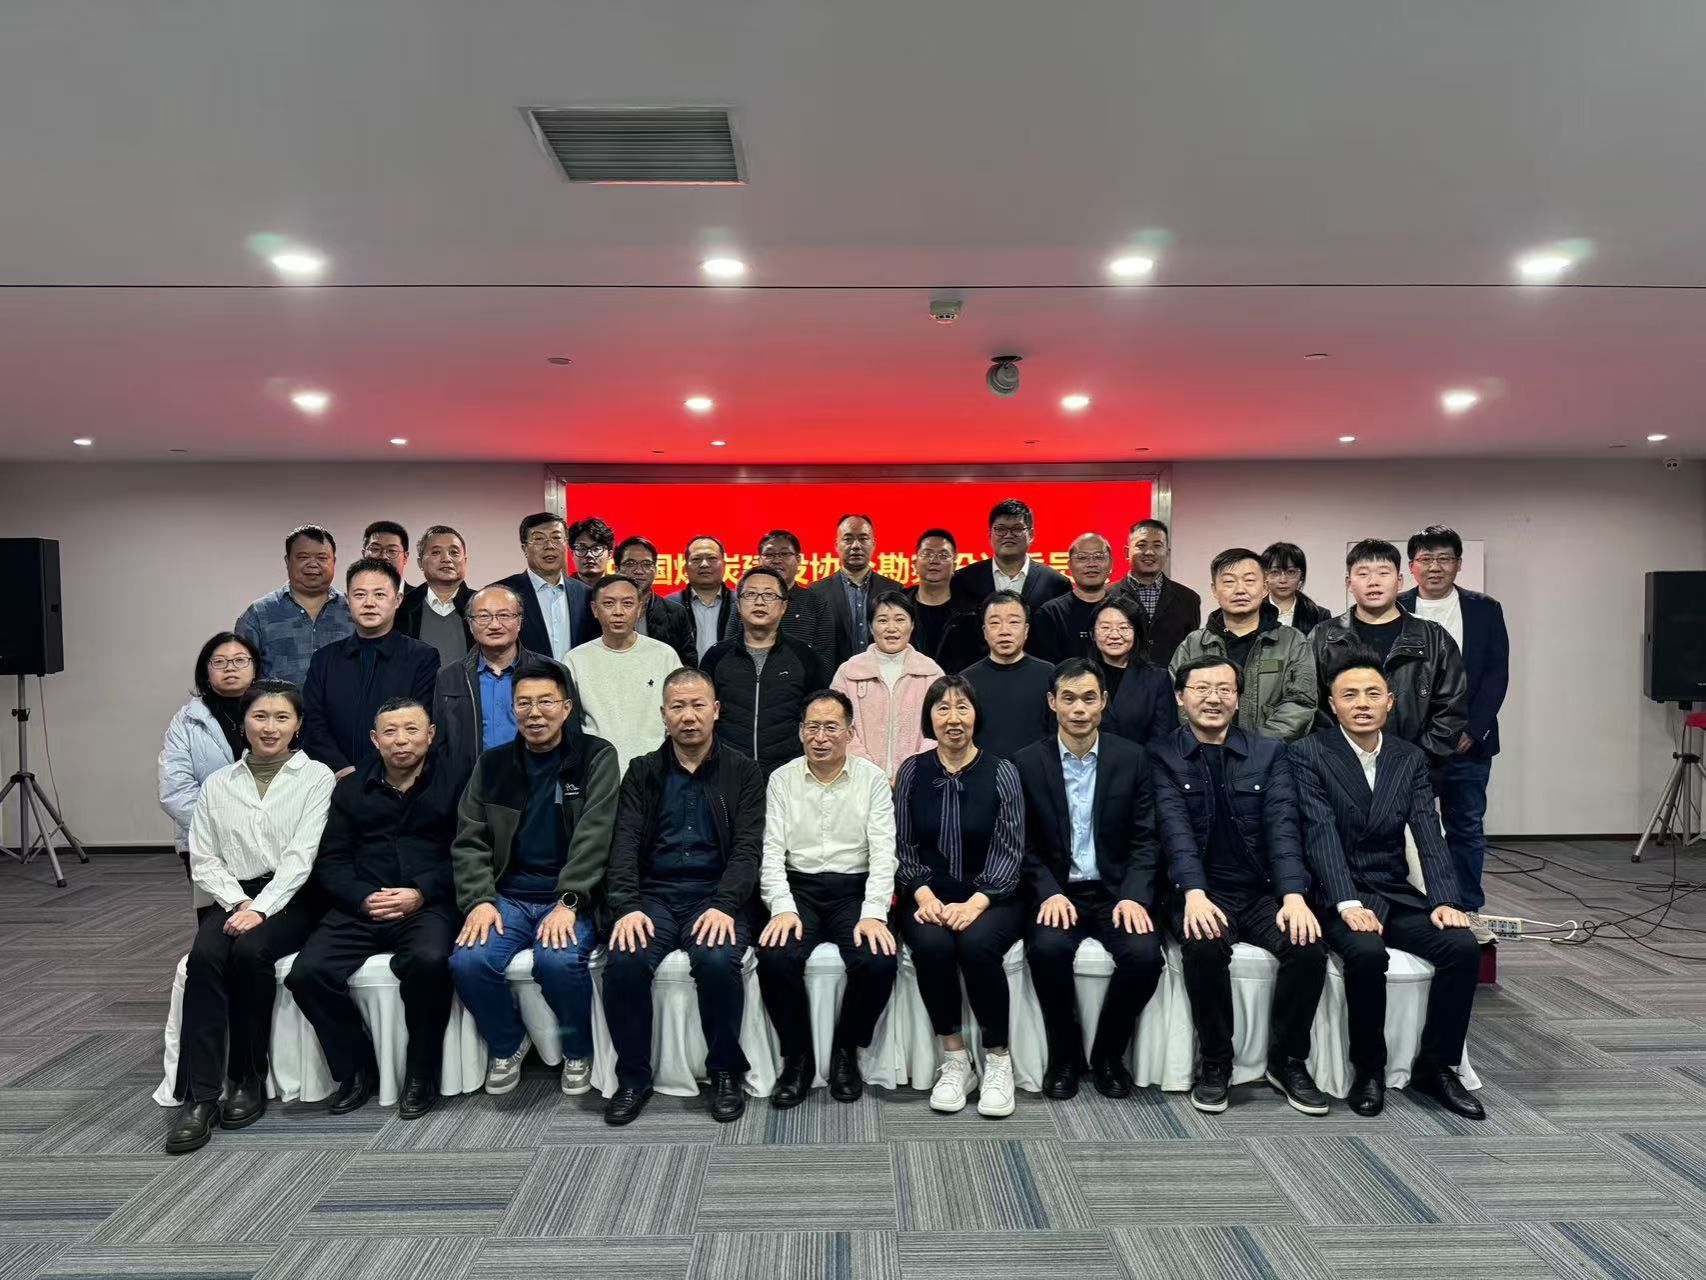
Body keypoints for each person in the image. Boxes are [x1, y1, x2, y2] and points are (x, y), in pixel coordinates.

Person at [1291, 650, 1485, 1120]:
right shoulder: (1308, 753)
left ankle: (1436, 1066)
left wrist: (1445, 899)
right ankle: (1369, 1069)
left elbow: (1428, 831)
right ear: (1332, 704)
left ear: (1390, 701)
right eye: (1349, 695)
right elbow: (1319, 833)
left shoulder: (1408, 757)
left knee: (1462, 947)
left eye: (1372, 694)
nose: (1362, 703)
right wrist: (1346, 902)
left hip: (1392, 889)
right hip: (1335, 893)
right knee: (1366, 953)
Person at [1151, 657, 1330, 1116]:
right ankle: (1216, 1062)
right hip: (1200, 892)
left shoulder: (1268, 753)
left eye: (1225, 689)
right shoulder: (1161, 755)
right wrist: (1193, 893)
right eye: (1202, 688)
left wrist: (1293, 896)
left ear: (1237, 698)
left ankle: (1288, 1061)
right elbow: (1174, 831)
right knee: (1204, 945)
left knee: (1308, 947)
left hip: (1261, 892)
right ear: (1180, 697)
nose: (1213, 698)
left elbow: (1283, 828)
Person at [165, 680, 335, 1154]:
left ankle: (247, 1077)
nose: (270, 727)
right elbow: (204, 857)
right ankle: (200, 1096)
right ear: (243, 723)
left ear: (298, 725)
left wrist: (261, 907)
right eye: (260, 716)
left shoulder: (316, 777)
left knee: (251, 953)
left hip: (295, 896)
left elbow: (303, 856)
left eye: (282, 717)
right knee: (204, 960)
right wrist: (239, 902)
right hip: (232, 896)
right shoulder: (218, 783)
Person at [602, 670, 766, 1125]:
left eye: (698, 705)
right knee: (624, 961)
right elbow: (623, 843)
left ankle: (725, 1073)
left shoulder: (743, 771)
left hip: (714, 896)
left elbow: (748, 849)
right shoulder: (642, 771)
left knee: (717, 961)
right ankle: (633, 1078)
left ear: (716, 710)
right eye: (678, 707)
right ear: (663, 715)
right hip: (653, 896)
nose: (688, 716)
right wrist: (626, 907)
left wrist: (725, 904)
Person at [448, 663, 620, 1096]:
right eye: (523, 703)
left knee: (557, 962)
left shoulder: (595, 757)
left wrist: (570, 900)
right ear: (512, 709)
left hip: (568, 897)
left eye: (546, 702)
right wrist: (479, 899)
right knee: (467, 962)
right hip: (507, 896)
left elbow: (596, 835)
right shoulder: (492, 764)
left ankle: (577, 1049)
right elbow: (470, 839)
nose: (534, 712)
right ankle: (508, 1043)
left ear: (567, 707)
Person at [285, 698, 462, 1119]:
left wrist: (420, 892)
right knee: (307, 974)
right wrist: (362, 898)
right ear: (374, 739)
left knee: (429, 961)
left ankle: (421, 1073)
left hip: (427, 904)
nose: (401, 740)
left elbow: (467, 853)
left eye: (412, 730)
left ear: (430, 735)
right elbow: (332, 860)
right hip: (361, 905)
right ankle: (356, 1068)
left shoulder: (458, 781)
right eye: (390, 732)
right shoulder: (350, 789)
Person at [1014, 659, 1164, 1100]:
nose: (1079, 709)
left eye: (1088, 698)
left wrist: (1134, 895)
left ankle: (1108, 1055)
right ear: (1052, 702)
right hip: (1059, 892)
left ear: (1103, 702)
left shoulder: (1132, 758)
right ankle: (1065, 1056)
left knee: (1145, 956)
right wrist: (1047, 891)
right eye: (1069, 698)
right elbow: (1021, 843)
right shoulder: (1026, 763)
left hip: (1115, 892)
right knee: (1047, 950)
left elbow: (1146, 838)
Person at [757, 689, 899, 1107]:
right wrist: (782, 906)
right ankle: (797, 1058)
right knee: (775, 957)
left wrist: (874, 912)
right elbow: (770, 852)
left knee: (878, 959)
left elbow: (884, 853)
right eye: (812, 727)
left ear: (850, 733)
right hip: (798, 887)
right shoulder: (781, 779)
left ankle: (845, 1052)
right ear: (800, 732)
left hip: (853, 889)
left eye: (831, 728)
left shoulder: (872, 779)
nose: (820, 737)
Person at [895, 674, 1027, 1117]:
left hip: (992, 895)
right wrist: (923, 895)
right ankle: (955, 1060)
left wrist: (976, 902)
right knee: (931, 946)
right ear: (929, 718)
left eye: (962, 708)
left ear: (976, 716)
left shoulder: (1003, 772)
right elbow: (903, 844)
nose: (953, 719)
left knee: (976, 945)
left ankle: (998, 1059)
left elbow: (1010, 850)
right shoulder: (912, 771)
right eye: (943, 709)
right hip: (927, 893)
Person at [1400, 527, 1509, 937]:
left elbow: (1496, 674)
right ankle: (1414, 904)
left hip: (1467, 745)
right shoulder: (1397, 606)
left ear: (1459, 564)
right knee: (1405, 828)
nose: (1435, 567)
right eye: (1425, 559)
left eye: (1444, 558)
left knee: (1465, 826)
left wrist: (1473, 730)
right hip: (1410, 745)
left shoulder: (1484, 609)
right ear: (1412, 566)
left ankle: (1467, 906)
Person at [1309, 540, 1466, 761]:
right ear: (1349, 583)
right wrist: (1339, 759)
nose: (1373, 582)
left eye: (1383, 573)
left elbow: (1451, 710)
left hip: (1416, 768)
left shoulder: (1434, 637)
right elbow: (1312, 706)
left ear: (1399, 581)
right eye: (1363, 574)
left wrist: (1415, 762)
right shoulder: (1323, 637)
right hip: (1339, 766)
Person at [301, 558, 440, 778]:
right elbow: (313, 724)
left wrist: (370, 772)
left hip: (397, 780)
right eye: (359, 595)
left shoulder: (422, 658)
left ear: (398, 600)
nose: (369, 603)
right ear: (347, 600)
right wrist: (342, 769)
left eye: (379, 594)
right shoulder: (324, 660)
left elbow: (418, 724)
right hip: (333, 778)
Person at [1170, 548, 1318, 742]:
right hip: (1205, 751)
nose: (1240, 590)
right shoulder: (1193, 644)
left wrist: (1256, 744)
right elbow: (1180, 700)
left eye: (1249, 581)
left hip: (1271, 752)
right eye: (1229, 582)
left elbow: (1301, 702)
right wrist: (1210, 739)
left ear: (1265, 588)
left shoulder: (1292, 641)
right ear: (1214, 590)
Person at [431, 585, 573, 786]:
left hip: (538, 785)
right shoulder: (450, 676)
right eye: (483, 616)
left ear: (519, 622)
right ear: (470, 624)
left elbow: (571, 736)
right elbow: (440, 743)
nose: (494, 624)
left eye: (504, 615)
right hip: (470, 788)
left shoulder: (552, 672)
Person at [159, 632, 259, 917]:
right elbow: (175, 789)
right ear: (206, 670)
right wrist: (221, 832)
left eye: (240, 660)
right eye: (220, 662)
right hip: (207, 841)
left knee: (267, 919)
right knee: (216, 920)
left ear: (255, 667)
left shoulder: (275, 713)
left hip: (269, 838)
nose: (230, 668)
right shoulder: (186, 721)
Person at [700, 567, 825, 774]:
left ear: (784, 606)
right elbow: (703, 714)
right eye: (750, 594)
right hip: (727, 771)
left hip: (789, 773)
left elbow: (818, 716)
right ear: (738, 604)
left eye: (769, 595)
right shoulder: (716, 657)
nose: (759, 602)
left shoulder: (805, 657)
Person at [565, 575, 682, 773]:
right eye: (608, 604)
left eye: (627, 603)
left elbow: (679, 711)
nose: (618, 612)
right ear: (595, 609)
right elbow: (570, 725)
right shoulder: (575, 660)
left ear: (639, 609)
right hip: (597, 771)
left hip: (656, 770)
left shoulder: (664, 655)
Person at [831, 591, 945, 780]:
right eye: (883, 620)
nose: (892, 628)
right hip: (859, 778)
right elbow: (837, 724)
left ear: (912, 625)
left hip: (919, 777)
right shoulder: (849, 672)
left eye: (900, 620)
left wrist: (911, 771)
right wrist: (870, 772)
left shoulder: (931, 673)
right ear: (870, 626)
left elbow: (939, 728)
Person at [235, 525, 354, 685]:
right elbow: (240, 677)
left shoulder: (353, 610)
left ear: (334, 561)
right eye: (303, 557)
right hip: (276, 703)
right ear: (287, 561)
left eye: (322, 558)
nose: (313, 564)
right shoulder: (258, 614)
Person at [960, 592, 1056, 759]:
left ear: (1026, 630)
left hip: (1037, 769)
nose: (1004, 631)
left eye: (1013, 622)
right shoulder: (966, 680)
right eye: (995, 623)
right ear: (984, 631)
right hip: (984, 770)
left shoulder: (1049, 674)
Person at [807, 514, 905, 669]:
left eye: (863, 538)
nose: (856, 546)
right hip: (834, 679)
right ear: (836, 545)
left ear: (873, 544)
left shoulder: (894, 589)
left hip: (883, 676)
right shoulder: (816, 592)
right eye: (848, 539)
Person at [493, 512, 591, 663]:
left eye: (556, 538)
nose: (549, 546)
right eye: (539, 539)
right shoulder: (501, 593)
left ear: (566, 545)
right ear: (525, 549)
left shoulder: (586, 594)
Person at [949, 498, 1070, 617]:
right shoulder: (962, 580)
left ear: (1031, 534)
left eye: (1017, 529)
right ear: (989, 534)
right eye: (1000, 529)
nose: (1008, 535)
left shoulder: (1056, 583)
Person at [1108, 518, 1201, 667]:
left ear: (1167, 553)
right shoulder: (1106, 596)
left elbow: (1192, 651)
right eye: (1141, 545)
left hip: (1171, 680)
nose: (1149, 552)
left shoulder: (1189, 599)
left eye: (1157, 546)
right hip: (1119, 679)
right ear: (1126, 552)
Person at [1088, 599, 1175, 746]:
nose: (1114, 635)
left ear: (1137, 633)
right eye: (1105, 627)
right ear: (1092, 634)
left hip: (1142, 759)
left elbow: (1163, 738)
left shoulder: (1157, 679)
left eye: (1123, 627)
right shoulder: (1079, 675)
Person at [757, 528, 839, 666]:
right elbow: (730, 652)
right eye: (769, 554)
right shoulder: (746, 601)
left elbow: (825, 659)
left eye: (784, 553)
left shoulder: (816, 603)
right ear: (759, 560)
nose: (776, 560)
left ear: (798, 559)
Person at [611, 535, 696, 667]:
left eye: (646, 564)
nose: (639, 571)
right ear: (616, 570)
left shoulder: (675, 613)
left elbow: (688, 662)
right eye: (630, 564)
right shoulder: (605, 610)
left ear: (655, 570)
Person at [1030, 532, 1115, 663]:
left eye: (1099, 557)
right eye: (1082, 558)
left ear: (1110, 563)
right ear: (1069, 565)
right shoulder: (1051, 613)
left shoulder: (1125, 609)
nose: (1091, 564)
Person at [906, 528, 983, 672]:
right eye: (927, 554)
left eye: (943, 555)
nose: (934, 561)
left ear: (954, 566)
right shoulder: (900, 607)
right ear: (915, 563)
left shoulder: (972, 612)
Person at [399, 525, 474, 667]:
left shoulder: (481, 605)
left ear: (465, 561)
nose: (446, 558)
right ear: (420, 563)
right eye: (436, 552)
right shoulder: (402, 607)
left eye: (454, 552)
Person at [670, 535, 738, 662]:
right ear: (685, 567)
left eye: (712, 558)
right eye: (696, 559)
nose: (704, 564)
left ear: (724, 564)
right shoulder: (669, 605)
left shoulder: (741, 604)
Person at [1261, 542, 1331, 634]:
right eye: (1275, 572)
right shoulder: (1253, 613)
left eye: (1291, 572)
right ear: (1264, 575)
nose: (1283, 580)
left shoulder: (1319, 615)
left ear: (1301, 576)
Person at [568, 516, 616, 590]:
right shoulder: (563, 590)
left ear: (609, 554)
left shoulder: (620, 590)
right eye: (582, 548)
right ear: (572, 554)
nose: (589, 555)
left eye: (596, 548)